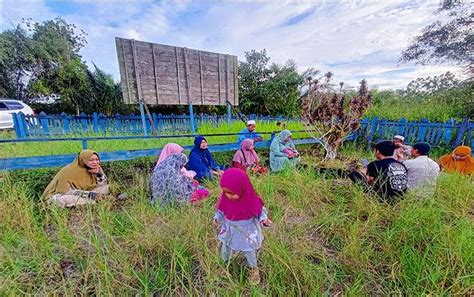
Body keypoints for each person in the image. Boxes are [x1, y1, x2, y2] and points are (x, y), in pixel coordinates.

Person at [212, 168, 272, 285]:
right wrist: (216, 218)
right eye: (225, 192)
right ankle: (224, 266)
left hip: (246, 231)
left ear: (242, 188)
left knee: (249, 250)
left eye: (232, 193)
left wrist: (264, 220)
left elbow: (260, 212)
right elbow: (221, 210)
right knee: (226, 248)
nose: (228, 196)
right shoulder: (225, 199)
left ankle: (253, 269)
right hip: (230, 228)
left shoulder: (252, 200)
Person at [43, 150, 109, 208]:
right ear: (83, 160)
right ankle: (91, 201)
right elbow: (65, 191)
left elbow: (103, 184)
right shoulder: (68, 170)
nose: (95, 162)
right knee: (59, 200)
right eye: (91, 160)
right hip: (67, 194)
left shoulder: (97, 168)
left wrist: (99, 174)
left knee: (107, 188)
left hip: (87, 191)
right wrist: (89, 194)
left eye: (97, 159)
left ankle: (90, 201)